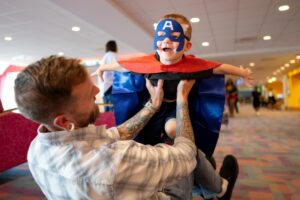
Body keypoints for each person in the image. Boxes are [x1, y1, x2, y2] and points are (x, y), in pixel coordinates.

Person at [14, 56, 238, 200]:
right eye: (86, 93)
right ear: (64, 121)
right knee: (190, 154)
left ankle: (212, 188)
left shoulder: (36, 149)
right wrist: (182, 98)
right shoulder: (116, 163)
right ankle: (220, 190)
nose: (96, 90)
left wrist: (153, 106)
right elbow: (185, 152)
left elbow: (114, 135)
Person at [92, 13, 253, 155]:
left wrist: (242, 73)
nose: (167, 39)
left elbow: (216, 67)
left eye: (175, 35)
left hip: (174, 108)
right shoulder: (147, 63)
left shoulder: (192, 66)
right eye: (161, 35)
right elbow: (125, 66)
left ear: (187, 45)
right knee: (144, 142)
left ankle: (174, 152)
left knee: (173, 130)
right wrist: (103, 68)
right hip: (150, 107)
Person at [98, 40, 118, 112]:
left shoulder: (105, 56)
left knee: (107, 107)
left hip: (105, 86)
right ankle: (112, 123)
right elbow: (115, 69)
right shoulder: (111, 55)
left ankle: (108, 122)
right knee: (111, 108)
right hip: (110, 85)